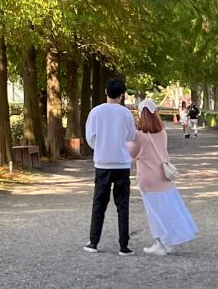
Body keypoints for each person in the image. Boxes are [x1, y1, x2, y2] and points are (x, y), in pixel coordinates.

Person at [132, 99, 199, 254]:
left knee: (153, 212)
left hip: (147, 178)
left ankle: (160, 243)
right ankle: (169, 239)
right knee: (167, 209)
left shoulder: (139, 135)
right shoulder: (161, 132)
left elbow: (132, 154)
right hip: (163, 176)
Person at [85, 77, 137, 254]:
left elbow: (90, 138)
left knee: (99, 203)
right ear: (122, 95)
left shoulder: (96, 112)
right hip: (122, 163)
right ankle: (124, 245)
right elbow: (131, 136)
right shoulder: (126, 114)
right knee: (122, 205)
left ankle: (93, 242)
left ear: (106, 92)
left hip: (102, 162)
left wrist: (101, 147)